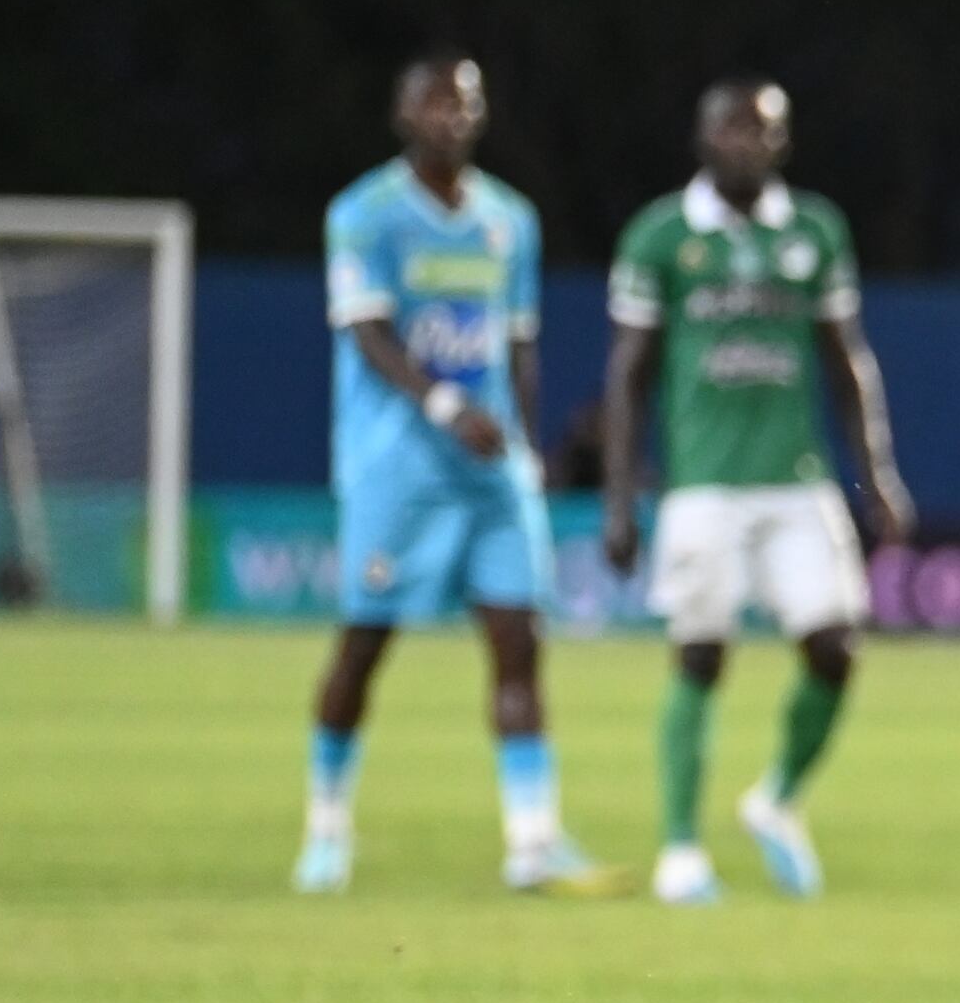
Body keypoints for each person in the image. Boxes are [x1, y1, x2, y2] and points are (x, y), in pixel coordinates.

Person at [296, 56, 610, 896]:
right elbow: (369, 333)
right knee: (366, 643)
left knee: (519, 641)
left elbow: (518, 342)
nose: (453, 115)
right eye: (434, 101)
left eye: (465, 100)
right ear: (402, 115)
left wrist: (529, 448)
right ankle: (327, 826)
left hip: (490, 468)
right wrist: (445, 408)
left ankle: (532, 841)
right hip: (397, 466)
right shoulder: (363, 214)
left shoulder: (510, 219)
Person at [601, 78, 915, 905]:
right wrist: (618, 496)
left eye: (764, 129)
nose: (748, 142)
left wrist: (876, 471)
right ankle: (678, 848)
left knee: (835, 649)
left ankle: (776, 800)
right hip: (703, 485)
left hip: (796, 481)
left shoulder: (813, 229)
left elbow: (847, 360)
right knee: (700, 654)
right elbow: (628, 375)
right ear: (701, 139)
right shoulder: (662, 235)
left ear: (784, 141)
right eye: (732, 129)